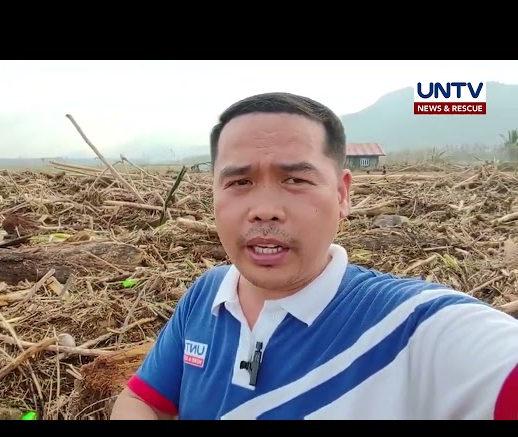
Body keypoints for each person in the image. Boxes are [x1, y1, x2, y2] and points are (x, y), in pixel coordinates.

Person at [110, 92, 518, 420]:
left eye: (295, 180)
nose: (264, 208)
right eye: (239, 181)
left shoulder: (412, 327)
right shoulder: (207, 295)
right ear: (213, 194)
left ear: (342, 194)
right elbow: (142, 399)